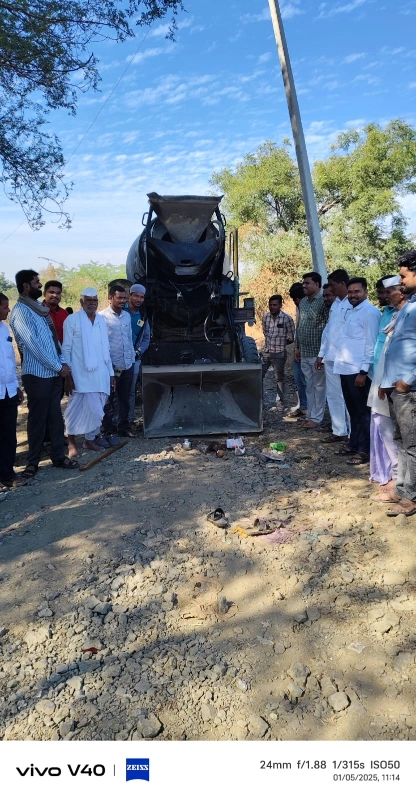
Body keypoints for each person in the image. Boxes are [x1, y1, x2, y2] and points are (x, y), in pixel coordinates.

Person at [9, 270, 78, 477]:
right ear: (25, 286)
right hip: (38, 375)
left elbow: (53, 341)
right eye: (37, 283)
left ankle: (58, 456)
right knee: (38, 420)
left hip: (54, 374)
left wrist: (63, 364)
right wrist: (59, 368)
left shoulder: (38, 309)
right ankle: (33, 462)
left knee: (56, 418)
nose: (40, 285)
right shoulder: (21, 311)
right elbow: (33, 346)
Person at [380, 251, 416, 517]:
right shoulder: (409, 307)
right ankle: (403, 488)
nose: (401, 282)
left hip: (408, 388)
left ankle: (411, 495)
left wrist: (408, 381)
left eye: (403, 276)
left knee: (412, 443)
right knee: (401, 440)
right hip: (396, 386)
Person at [62, 288, 116, 458]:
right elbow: (66, 349)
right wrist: (68, 375)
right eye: (88, 300)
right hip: (80, 374)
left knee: (97, 409)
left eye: (95, 300)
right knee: (75, 409)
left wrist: (111, 374)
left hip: (100, 374)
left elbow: (105, 349)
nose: (92, 303)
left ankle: (89, 439)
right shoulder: (72, 320)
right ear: (81, 302)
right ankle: (71, 443)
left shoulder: (100, 320)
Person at [333, 277, 380, 465]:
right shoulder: (351, 311)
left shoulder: (370, 312)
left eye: (357, 291)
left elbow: (371, 344)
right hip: (345, 368)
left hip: (358, 371)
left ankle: (364, 450)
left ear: (366, 292)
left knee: (363, 412)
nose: (353, 295)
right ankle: (353, 444)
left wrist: (363, 371)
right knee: (353, 411)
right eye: (350, 292)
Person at [368, 276, 406, 500]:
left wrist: (388, 380)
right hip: (382, 377)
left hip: (396, 381)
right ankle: (391, 474)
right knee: (382, 424)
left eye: (389, 290)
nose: (385, 295)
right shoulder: (390, 314)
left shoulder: (407, 314)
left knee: (395, 431)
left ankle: (398, 481)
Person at [315, 269, 351, 443]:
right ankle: (339, 431)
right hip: (330, 357)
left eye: (333, 286)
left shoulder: (352, 304)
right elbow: (328, 331)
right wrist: (321, 354)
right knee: (334, 395)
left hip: (345, 358)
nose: (331, 290)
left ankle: (353, 434)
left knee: (348, 396)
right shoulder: (336, 304)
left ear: (342, 284)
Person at [100, 284, 135, 443]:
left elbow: (129, 338)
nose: (122, 301)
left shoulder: (127, 316)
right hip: (111, 367)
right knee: (108, 401)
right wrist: (108, 370)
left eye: (124, 298)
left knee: (124, 399)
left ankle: (123, 428)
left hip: (127, 364)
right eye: (119, 298)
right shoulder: (102, 318)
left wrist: (132, 357)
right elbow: (101, 344)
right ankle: (108, 430)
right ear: (110, 298)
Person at [294, 271, 329, 428]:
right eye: (304, 282)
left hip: (317, 353)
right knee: (309, 384)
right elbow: (299, 326)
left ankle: (316, 418)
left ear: (317, 284)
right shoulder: (303, 303)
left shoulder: (323, 301)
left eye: (307, 283)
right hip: (305, 351)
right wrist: (297, 347)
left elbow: (329, 328)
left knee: (319, 386)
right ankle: (309, 415)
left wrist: (324, 352)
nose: (304, 285)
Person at [0, 293, 26, 490]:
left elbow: (9, 362)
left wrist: (16, 386)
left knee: (9, 435)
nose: (8, 310)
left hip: (8, 391)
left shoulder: (4, 329)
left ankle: (7, 475)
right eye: (5, 307)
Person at [261, 294, 295, 412]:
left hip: (279, 353)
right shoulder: (265, 317)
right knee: (259, 375)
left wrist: (280, 343)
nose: (272, 307)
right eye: (270, 305)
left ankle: (279, 403)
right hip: (266, 352)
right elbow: (265, 332)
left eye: (275, 305)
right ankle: (259, 402)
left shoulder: (287, 319)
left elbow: (291, 337)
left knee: (279, 379)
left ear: (280, 305)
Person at [125, 283, 150, 428]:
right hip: (117, 360)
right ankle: (114, 421)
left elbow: (146, 338)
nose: (139, 299)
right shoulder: (121, 312)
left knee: (131, 390)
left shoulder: (143, 317)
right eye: (136, 296)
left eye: (142, 297)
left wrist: (139, 351)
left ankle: (129, 420)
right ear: (130, 295)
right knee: (114, 391)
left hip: (135, 359)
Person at [288, 282, 307, 418]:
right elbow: (298, 331)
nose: (296, 302)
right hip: (298, 351)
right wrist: (296, 348)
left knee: (307, 381)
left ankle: (310, 410)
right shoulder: (300, 309)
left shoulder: (308, 308)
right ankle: (304, 407)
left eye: (296, 299)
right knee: (298, 379)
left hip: (309, 351)